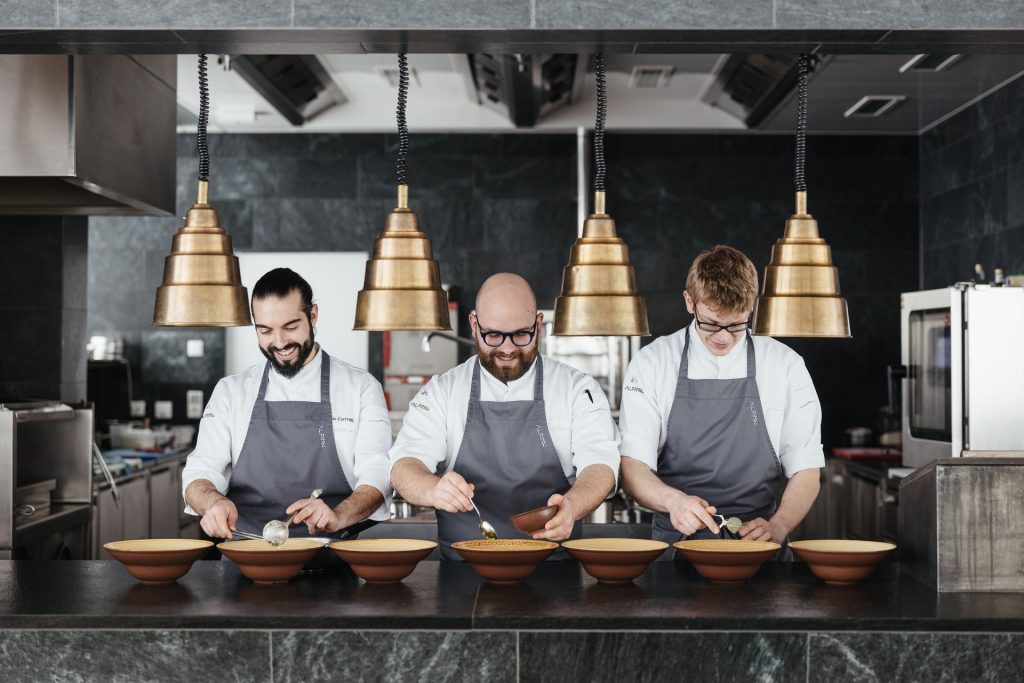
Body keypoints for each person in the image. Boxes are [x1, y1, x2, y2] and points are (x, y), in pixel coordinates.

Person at [389, 273, 619, 560]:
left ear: (538, 325)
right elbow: (403, 465)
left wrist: (573, 504)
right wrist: (432, 489)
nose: (508, 349)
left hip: (555, 579)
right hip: (463, 579)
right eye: (494, 335)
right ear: (474, 325)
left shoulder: (576, 388)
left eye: (521, 334)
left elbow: (601, 466)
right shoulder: (442, 391)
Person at [618, 245, 823, 556]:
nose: (724, 337)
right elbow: (632, 468)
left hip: (761, 548)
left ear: (752, 307)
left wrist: (779, 525)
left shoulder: (785, 365)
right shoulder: (653, 363)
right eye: (711, 324)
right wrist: (674, 502)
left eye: (738, 324)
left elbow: (807, 469)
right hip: (677, 549)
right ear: (690, 302)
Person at [182, 267, 392, 541]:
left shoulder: (361, 388)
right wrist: (212, 502)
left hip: (332, 562)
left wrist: (339, 514)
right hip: (245, 561)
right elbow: (200, 472)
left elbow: (378, 473)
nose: (279, 342)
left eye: (290, 327)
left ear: (313, 316)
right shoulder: (230, 392)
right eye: (265, 331)